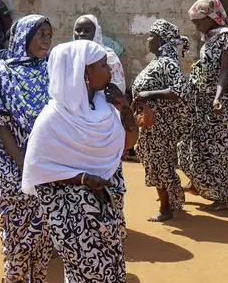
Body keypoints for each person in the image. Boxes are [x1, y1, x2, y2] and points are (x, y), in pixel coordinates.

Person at [22, 40, 137, 283]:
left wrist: (125, 107)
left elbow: (127, 144)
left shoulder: (106, 108)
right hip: (72, 216)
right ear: (84, 72)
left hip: (105, 209)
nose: (109, 71)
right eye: (103, 65)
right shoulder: (52, 119)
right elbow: (38, 170)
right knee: (86, 271)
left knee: (110, 268)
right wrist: (84, 178)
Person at [137, 0, 228, 211]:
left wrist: (217, 97)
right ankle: (197, 184)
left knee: (215, 152)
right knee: (189, 147)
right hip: (200, 104)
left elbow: (224, 73)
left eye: (199, 22)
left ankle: (223, 197)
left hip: (217, 107)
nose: (197, 27)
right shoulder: (210, 37)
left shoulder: (226, 38)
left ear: (212, 17)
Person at [0, 15, 53, 283]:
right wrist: (26, 165)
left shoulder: (52, 71)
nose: (45, 40)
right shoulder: (1, 74)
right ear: (23, 36)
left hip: (47, 166)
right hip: (14, 166)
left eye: (48, 35)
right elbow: (0, 126)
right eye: (40, 33)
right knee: (17, 231)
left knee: (42, 235)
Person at [132, 19, 190, 222]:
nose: (148, 40)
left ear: (162, 40)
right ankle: (174, 199)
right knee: (156, 161)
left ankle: (166, 209)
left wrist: (149, 94)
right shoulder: (159, 61)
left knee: (159, 163)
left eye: (152, 36)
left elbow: (181, 90)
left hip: (160, 125)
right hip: (151, 124)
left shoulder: (168, 62)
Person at [73, 14, 126, 93]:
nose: (82, 34)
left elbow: (118, 88)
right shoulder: (70, 56)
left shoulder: (108, 56)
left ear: (96, 33)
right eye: (78, 30)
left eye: (87, 31)